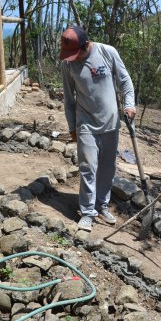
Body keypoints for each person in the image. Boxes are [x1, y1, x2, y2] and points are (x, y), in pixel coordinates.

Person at [60, 26, 136, 232]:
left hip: (111, 123)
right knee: (88, 167)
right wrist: (72, 127)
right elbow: (69, 99)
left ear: (86, 44)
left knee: (107, 168)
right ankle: (87, 212)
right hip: (85, 122)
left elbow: (125, 80)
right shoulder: (68, 64)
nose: (73, 58)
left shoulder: (107, 52)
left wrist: (129, 104)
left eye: (76, 53)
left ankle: (102, 205)